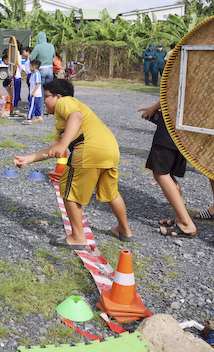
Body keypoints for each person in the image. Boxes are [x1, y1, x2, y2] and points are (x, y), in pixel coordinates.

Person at [13, 79, 133, 247]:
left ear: (58, 96)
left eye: (46, 97)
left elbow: (75, 118)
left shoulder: (65, 102)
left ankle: (78, 237)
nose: (43, 101)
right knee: (111, 193)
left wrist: (63, 145)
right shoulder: (63, 122)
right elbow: (53, 149)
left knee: (68, 190)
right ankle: (124, 230)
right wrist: (28, 159)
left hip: (88, 150)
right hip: (110, 150)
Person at [139, 101, 214, 238]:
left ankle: (186, 223)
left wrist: (154, 108)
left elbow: (174, 92)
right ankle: (182, 217)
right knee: (169, 172)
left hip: (175, 119)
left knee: (161, 172)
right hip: (192, 120)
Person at [29, 32, 55, 114]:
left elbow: (31, 58)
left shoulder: (38, 47)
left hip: (41, 69)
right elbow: (53, 57)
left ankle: (40, 112)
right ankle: (50, 109)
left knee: (40, 91)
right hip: (50, 69)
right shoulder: (51, 46)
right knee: (49, 91)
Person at [23, 60, 43, 124]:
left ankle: (29, 119)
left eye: (30, 66)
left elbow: (38, 83)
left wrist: (33, 92)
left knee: (31, 105)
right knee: (36, 106)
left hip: (35, 94)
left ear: (34, 67)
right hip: (34, 93)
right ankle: (39, 117)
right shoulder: (33, 74)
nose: (29, 67)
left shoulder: (37, 74)